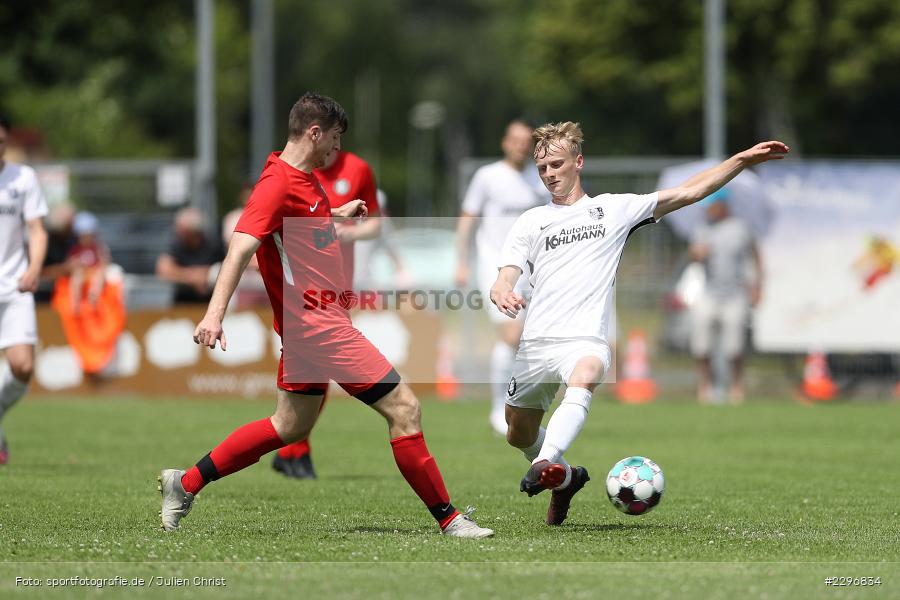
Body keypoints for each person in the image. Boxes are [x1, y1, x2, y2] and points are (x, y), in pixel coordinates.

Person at [158, 92, 492, 539]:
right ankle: (450, 520)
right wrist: (213, 316)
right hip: (320, 327)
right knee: (405, 408)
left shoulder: (298, 177)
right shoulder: (277, 183)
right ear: (315, 133)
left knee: (289, 425)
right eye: (334, 138)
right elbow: (240, 247)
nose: (337, 149)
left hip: (308, 328)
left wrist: (336, 212)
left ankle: (185, 483)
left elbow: (292, 219)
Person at [490, 121, 788, 525]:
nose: (549, 174)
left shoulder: (615, 209)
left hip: (585, 338)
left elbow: (689, 192)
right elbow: (507, 272)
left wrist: (740, 160)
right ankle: (565, 480)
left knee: (585, 374)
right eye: (543, 168)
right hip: (537, 341)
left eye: (557, 165)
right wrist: (501, 289)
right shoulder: (531, 221)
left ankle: (546, 462)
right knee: (517, 433)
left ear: (579, 162)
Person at [270, 148, 383, 480]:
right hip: (302, 285)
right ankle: (293, 448)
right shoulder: (295, 169)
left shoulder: (358, 169)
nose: (333, 146)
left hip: (338, 282)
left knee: (317, 370)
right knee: (312, 367)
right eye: (331, 137)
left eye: (338, 139)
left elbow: (375, 225)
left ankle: (293, 448)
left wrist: (349, 231)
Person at [455, 119, 548, 436]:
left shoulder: (539, 178)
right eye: (515, 140)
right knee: (511, 334)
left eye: (526, 141)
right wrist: (461, 262)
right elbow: (467, 219)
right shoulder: (488, 176)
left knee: (526, 339)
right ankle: (499, 408)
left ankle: (520, 407)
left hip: (530, 269)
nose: (520, 146)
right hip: (495, 267)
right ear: (505, 142)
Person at [0, 113, 48, 465]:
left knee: (22, 365)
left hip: (14, 284)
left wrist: (34, 269)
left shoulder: (23, 177)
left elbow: (37, 230)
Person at [689, 188, 763, 405]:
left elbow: (756, 256)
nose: (707, 211)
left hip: (735, 294)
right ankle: (705, 386)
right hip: (709, 293)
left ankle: (736, 386)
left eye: (711, 206)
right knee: (701, 345)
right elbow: (693, 256)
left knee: (734, 347)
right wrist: (697, 255)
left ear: (722, 206)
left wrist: (757, 286)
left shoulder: (741, 228)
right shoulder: (702, 229)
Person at [155, 207, 225, 303]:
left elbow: (226, 269)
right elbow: (163, 269)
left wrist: (208, 275)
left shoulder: (214, 244)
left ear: (194, 232)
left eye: (182, 230)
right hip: (183, 302)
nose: (177, 232)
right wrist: (193, 277)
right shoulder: (177, 244)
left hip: (212, 301)